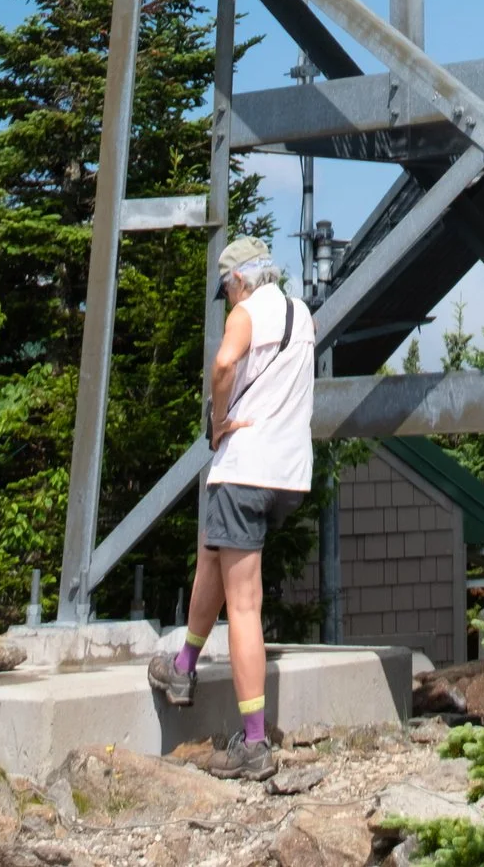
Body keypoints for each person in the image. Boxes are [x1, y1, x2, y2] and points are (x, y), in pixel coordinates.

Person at [152, 238, 315, 766]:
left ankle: (252, 742)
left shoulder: (245, 314)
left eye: (226, 288)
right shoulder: (301, 313)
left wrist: (218, 419)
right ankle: (183, 665)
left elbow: (224, 365)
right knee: (212, 557)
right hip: (289, 475)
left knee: (244, 605)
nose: (226, 298)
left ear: (238, 281)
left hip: (245, 469)